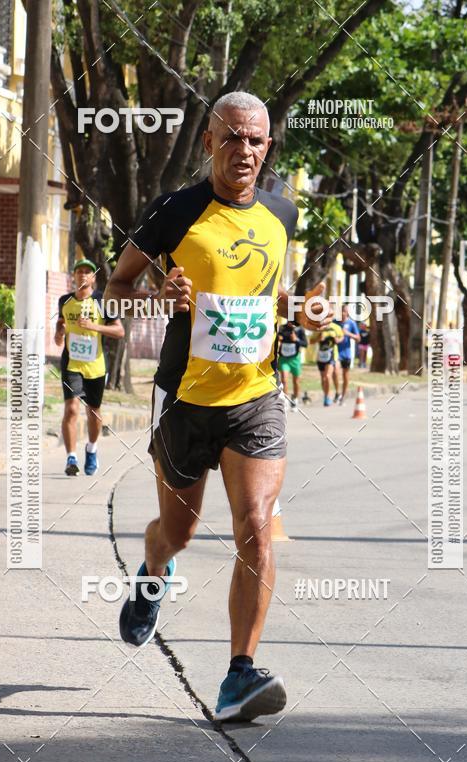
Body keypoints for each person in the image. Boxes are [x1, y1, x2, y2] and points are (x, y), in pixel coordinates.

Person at [105, 91, 328, 722]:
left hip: (255, 397)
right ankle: (152, 572)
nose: (246, 151)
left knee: (256, 525)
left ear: (268, 148)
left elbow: (271, 296)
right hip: (185, 397)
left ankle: (239, 675)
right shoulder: (175, 211)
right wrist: (158, 294)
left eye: (257, 141)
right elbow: (118, 289)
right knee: (177, 533)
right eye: (233, 138)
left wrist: (300, 310)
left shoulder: (282, 212)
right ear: (209, 142)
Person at [54, 259, 124, 476]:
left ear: (93, 278)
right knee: (71, 409)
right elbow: (59, 334)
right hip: (71, 364)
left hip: (96, 366)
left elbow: (119, 331)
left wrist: (93, 326)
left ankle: (92, 449)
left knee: (93, 413)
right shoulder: (65, 301)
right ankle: (71, 458)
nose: (83, 275)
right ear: (73, 276)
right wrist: (58, 332)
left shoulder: (103, 301)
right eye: (79, 271)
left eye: (88, 272)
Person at [310, 318, 343, 406]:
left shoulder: (335, 327)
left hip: (332, 355)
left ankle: (334, 394)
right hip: (321, 356)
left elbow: (341, 336)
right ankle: (326, 395)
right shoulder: (317, 328)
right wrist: (318, 339)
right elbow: (311, 341)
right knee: (323, 378)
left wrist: (337, 340)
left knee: (328, 376)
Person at [277, 320, 307, 410]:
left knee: (296, 381)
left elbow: (305, 344)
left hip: (295, 359)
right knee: (284, 380)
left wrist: (296, 340)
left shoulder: (300, 329)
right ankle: (286, 400)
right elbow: (275, 338)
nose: (291, 323)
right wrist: (278, 338)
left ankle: (295, 400)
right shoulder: (282, 328)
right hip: (283, 358)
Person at [334, 304, 360, 404]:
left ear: (347, 313)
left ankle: (343, 396)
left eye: (343, 312)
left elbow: (358, 338)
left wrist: (348, 334)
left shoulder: (351, 324)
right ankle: (337, 392)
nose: (342, 314)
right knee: (335, 372)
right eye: (340, 312)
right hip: (336, 353)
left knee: (345, 376)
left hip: (347, 354)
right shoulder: (335, 323)